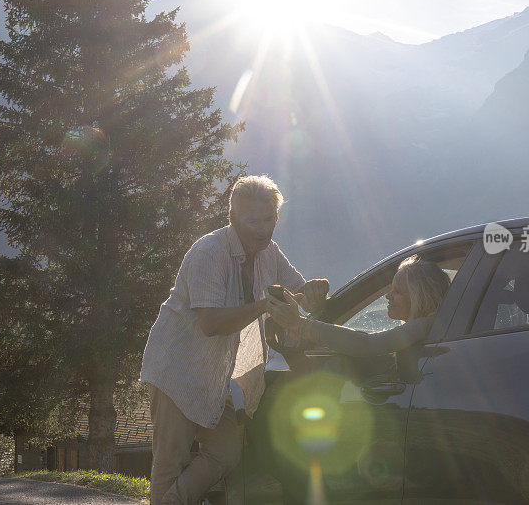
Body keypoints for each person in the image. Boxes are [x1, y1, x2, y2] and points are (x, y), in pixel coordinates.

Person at [140, 175, 329, 505]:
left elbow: (299, 295)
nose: (262, 229)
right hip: (175, 368)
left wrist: (315, 290)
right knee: (170, 462)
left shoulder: (270, 252)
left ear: (277, 218)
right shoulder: (209, 252)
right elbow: (210, 323)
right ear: (233, 218)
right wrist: (263, 306)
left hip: (214, 372)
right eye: (252, 221)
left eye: (268, 219)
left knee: (226, 452)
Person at [268, 255, 450, 356]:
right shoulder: (427, 326)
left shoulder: (424, 324)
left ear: (420, 297)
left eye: (398, 292)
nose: (388, 296)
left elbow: (368, 344)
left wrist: (298, 324)